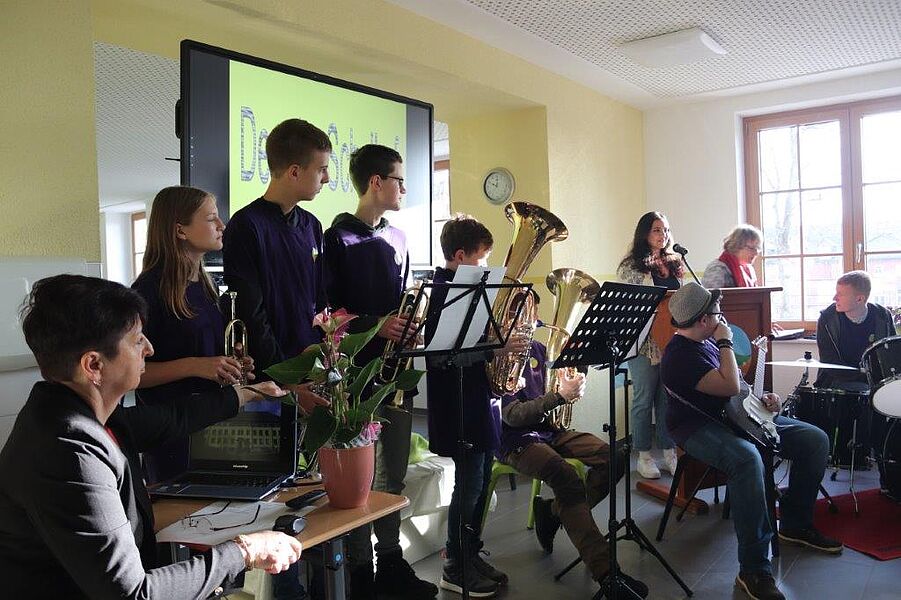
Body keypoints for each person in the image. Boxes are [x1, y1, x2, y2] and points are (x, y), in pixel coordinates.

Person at [0, 274, 301, 599]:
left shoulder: (72, 412)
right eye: (136, 340)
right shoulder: (68, 451)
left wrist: (246, 394)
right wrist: (245, 551)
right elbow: (134, 593)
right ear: (94, 365)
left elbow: (171, 419)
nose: (149, 348)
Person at [660, 282, 842, 600]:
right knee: (746, 459)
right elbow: (729, 386)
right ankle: (754, 568)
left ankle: (795, 524)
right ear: (704, 320)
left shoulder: (705, 341)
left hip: (736, 414)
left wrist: (765, 398)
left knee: (814, 440)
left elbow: (738, 388)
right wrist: (726, 341)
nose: (723, 319)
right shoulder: (680, 356)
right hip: (696, 426)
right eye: (718, 314)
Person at [222, 118, 333, 600]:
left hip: (314, 372)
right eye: (321, 170)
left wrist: (324, 353)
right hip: (273, 384)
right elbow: (252, 312)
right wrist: (287, 382)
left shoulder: (312, 226)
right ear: (293, 171)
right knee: (280, 496)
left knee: (317, 490)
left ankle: (323, 582)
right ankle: (288, 590)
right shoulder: (246, 226)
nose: (326, 178)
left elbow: (319, 304)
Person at [322, 144, 436, 599]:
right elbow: (325, 314)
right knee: (357, 481)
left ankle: (390, 561)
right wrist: (376, 324)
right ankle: (359, 571)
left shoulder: (400, 238)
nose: (404, 189)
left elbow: (401, 303)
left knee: (394, 475)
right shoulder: (337, 239)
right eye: (399, 180)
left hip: (395, 373)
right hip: (353, 380)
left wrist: (410, 329)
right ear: (376, 182)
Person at [498, 294, 647, 600]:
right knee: (565, 476)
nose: (528, 324)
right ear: (504, 320)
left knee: (614, 457)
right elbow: (512, 417)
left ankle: (554, 511)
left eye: (531, 316)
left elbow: (557, 393)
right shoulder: (498, 357)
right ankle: (607, 573)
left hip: (549, 432)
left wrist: (576, 378)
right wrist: (559, 397)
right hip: (514, 440)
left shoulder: (540, 350)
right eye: (518, 317)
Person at [424, 215, 529, 598]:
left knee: (482, 481)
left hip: (478, 398)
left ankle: (470, 552)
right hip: (457, 403)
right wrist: (495, 348)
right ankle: (455, 564)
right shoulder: (443, 292)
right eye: (481, 258)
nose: (486, 265)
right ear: (459, 255)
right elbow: (441, 357)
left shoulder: (473, 290)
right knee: (468, 486)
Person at [132, 185, 253, 483]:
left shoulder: (206, 286)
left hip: (211, 425)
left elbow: (208, 358)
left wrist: (231, 365)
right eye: (211, 218)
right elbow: (132, 374)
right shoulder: (147, 291)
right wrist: (196, 365)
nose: (222, 225)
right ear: (180, 230)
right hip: (172, 435)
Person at [617, 211, 681, 479]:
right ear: (644, 233)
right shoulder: (631, 266)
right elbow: (632, 304)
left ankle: (669, 452)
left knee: (667, 399)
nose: (663, 235)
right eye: (657, 230)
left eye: (665, 230)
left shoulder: (674, 262)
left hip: (670, 338)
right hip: (643, 340)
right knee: (644, 399)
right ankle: (644, 455)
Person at [815, 270, 894, 390]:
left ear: (859, 299)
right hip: (836, 381)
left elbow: (891, 354)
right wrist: (863, 376)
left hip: (877, 380)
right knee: (865, 391)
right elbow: (829, 361)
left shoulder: (883, 316)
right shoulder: (827, 318)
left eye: (840, 294)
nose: (834, 298)